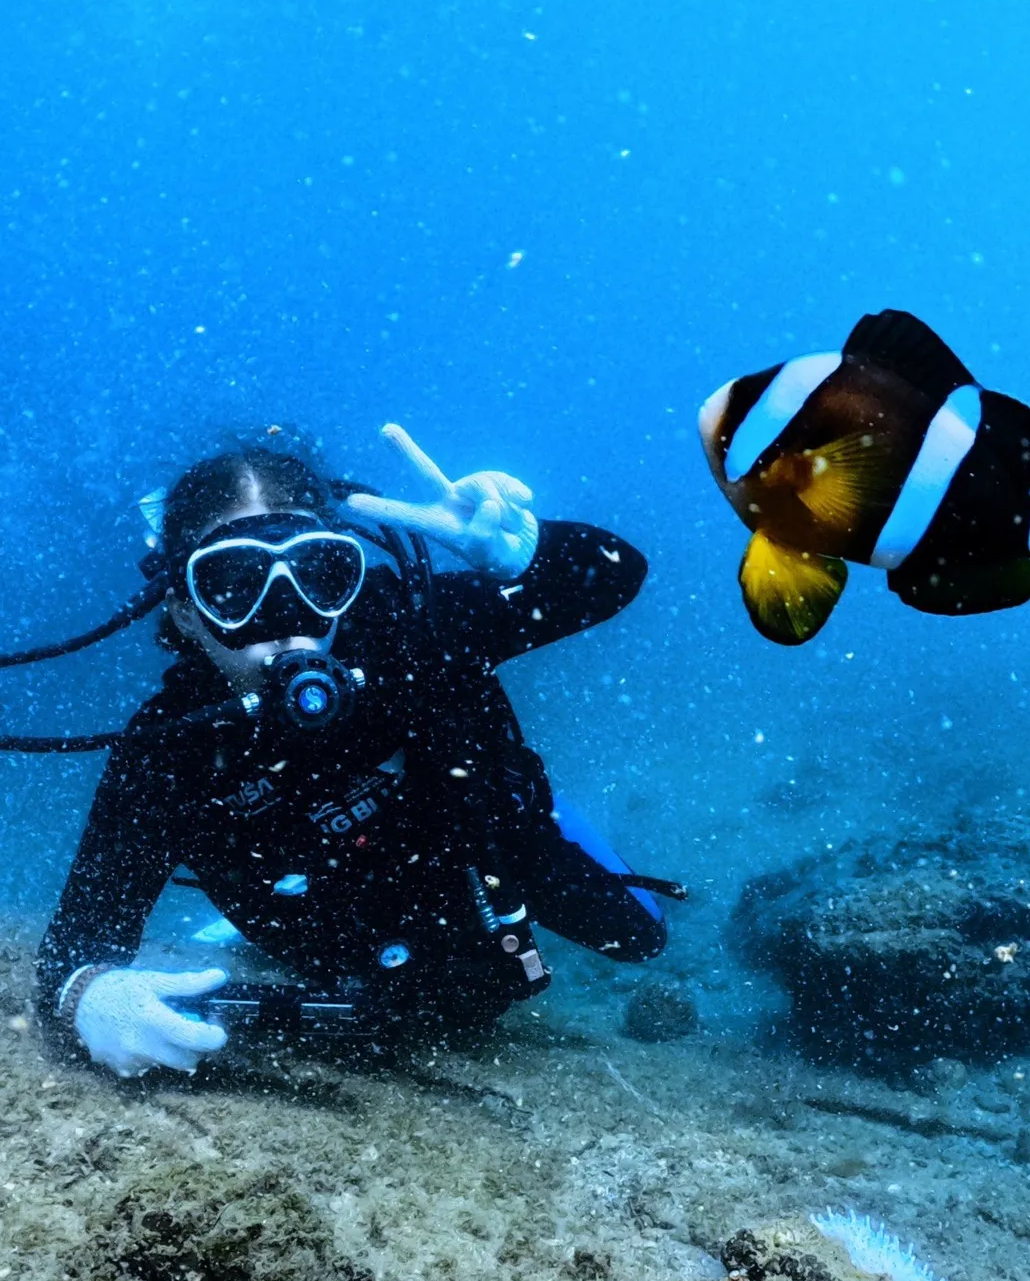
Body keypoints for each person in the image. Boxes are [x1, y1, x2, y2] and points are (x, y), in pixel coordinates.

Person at [36, 430, 665, 1078]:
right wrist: (92, 998)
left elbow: (615, 574)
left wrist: (519, 547)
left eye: (318, 574)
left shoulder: (407, 629)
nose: (287, 618)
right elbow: (79, 941)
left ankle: (561, 814)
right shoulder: (168, 749)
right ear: (187, 614)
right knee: (378, 994)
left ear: (348, 575)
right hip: (329, 932)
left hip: (491, 859)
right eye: (235, 585)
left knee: (640, 938)